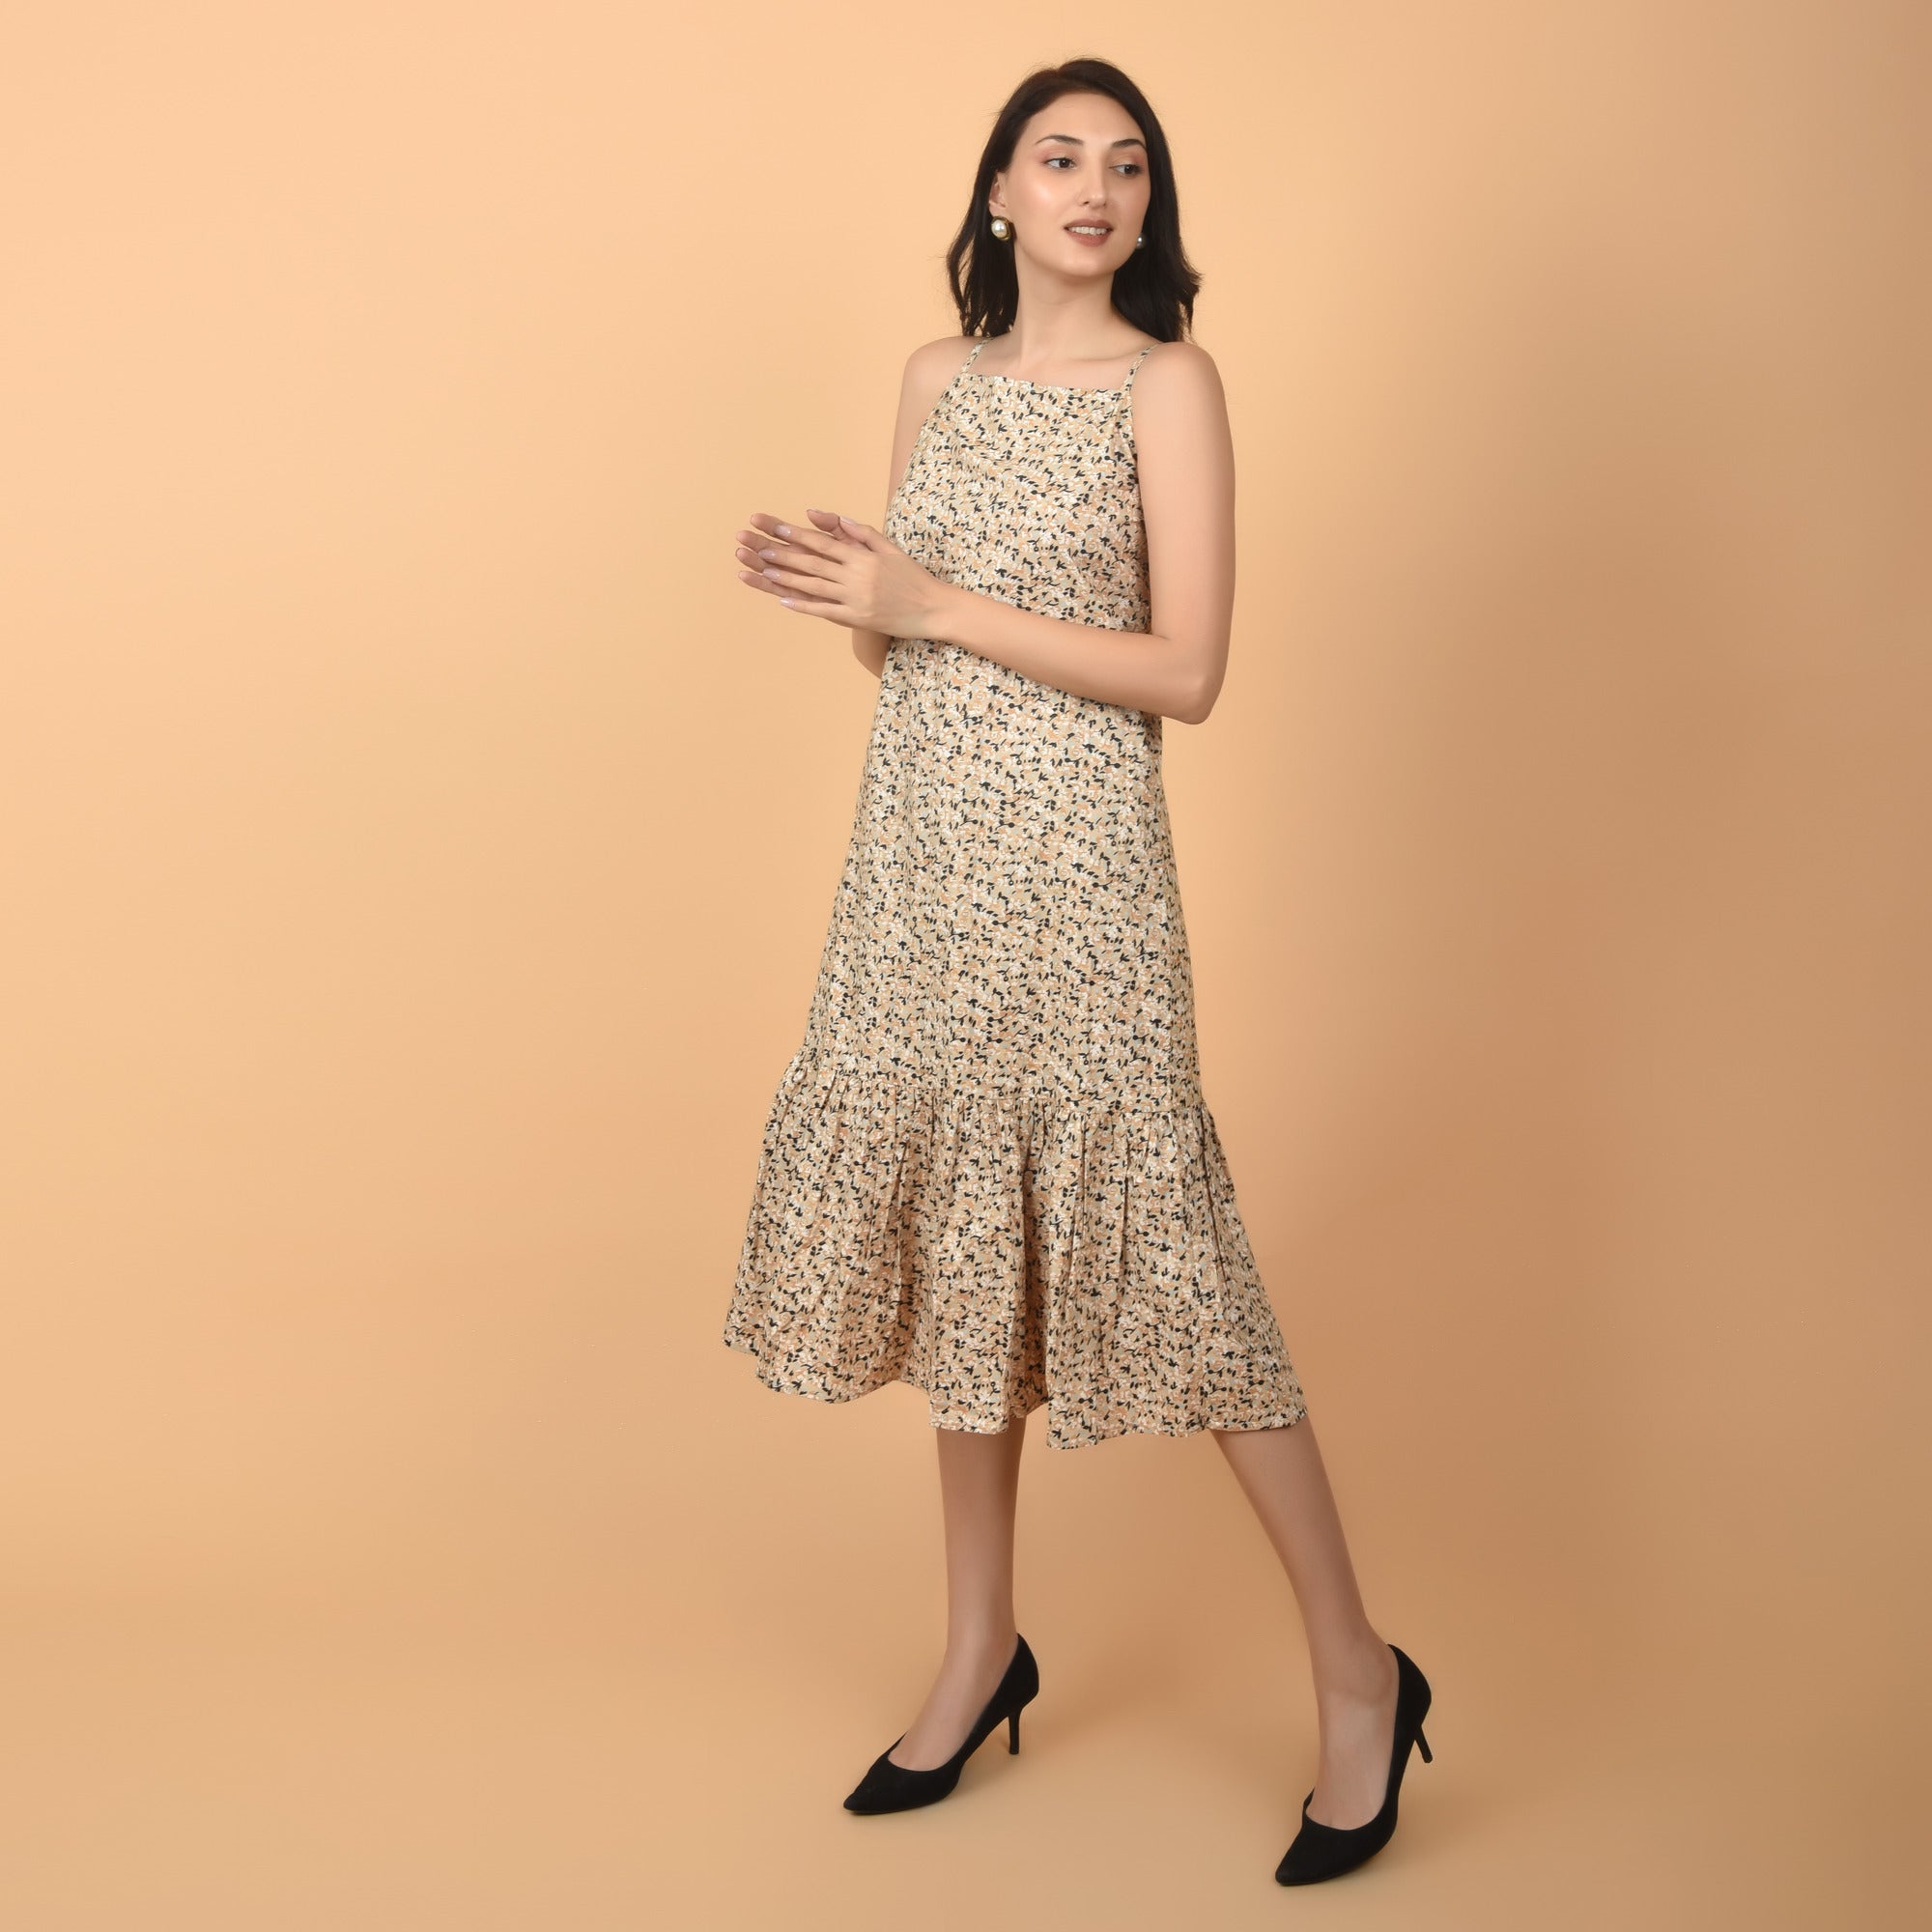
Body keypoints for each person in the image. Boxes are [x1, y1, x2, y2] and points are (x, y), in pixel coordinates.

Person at [721, 57, 1434, 1885]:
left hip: (1085, 877)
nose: (1095, 190)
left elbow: (1186, 670)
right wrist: (857, 596)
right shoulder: (934, 379)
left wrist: (930, 601)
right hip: (918, 872)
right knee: (966, 1234)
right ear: (999, 191)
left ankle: (1360, 1674)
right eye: (1060, 159)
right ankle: (979, 1649)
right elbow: (900, 660)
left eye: (1127, 166)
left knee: (1177, 1256)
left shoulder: (1167, 385)